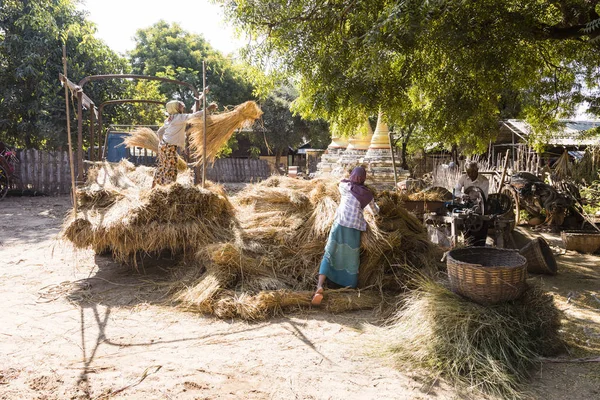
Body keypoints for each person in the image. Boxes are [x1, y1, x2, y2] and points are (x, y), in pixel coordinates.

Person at [311, 166, 379, 305]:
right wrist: (378, 208)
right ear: (364, 178)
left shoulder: (344, 187)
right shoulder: (367, 195)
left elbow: (342, 181)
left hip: (339, 225)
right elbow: (375, 211)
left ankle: (319, 285)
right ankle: (348, 288)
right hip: (353, 229)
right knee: (351, 257)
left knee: (330, 252)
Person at [152, 92, 217, 187]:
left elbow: (159, 132)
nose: (182, 108)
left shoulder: (169, 119)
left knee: (162, 167)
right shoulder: (179, 117)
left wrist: (163, 141)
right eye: (180, 106)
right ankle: (167, 189)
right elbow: (194, 116)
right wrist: (208, 109)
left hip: (163, 145)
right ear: (175, 108)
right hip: (169, 147)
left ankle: (154, 186)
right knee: (171, 169)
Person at [454, 161, 490, 246]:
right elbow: (456, 190)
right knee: (466, 227)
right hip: (467, 203)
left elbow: (483, 198)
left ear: (477, 170)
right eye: (468, 172)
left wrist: (477, 206)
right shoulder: (463, 178)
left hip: (480, 205)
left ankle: (480, 245)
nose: (471, 174)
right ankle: (468, 243)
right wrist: (462, 195)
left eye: (473, 172)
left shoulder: (484, 181)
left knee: (481, 226)